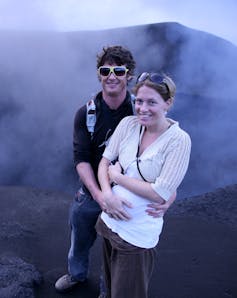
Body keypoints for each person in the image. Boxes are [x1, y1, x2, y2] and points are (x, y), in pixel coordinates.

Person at [55, 46, 175, 295]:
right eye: (105, 70)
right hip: (92, 193)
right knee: (80, 236)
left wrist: (168, 197)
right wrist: (101, 197)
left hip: (128, 195)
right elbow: (82, 159)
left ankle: (107, 289)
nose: (111, 76)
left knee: (117, 247)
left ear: (128, 75)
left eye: (118, 70)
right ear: (99, 74)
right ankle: (76, 275)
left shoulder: (140, 111)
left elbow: (166, 157)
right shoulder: (86, 113)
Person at [96, 72, 191, 298]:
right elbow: (104, 163)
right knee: (111, 290)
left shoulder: (179, 140)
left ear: (168, 103)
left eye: (151, 102)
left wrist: (116, 178)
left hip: (136, 237)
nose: (142, 108)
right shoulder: (129, 124)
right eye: (139, 100)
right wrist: (107, 195)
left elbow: (160, 193)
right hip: (110, 224)